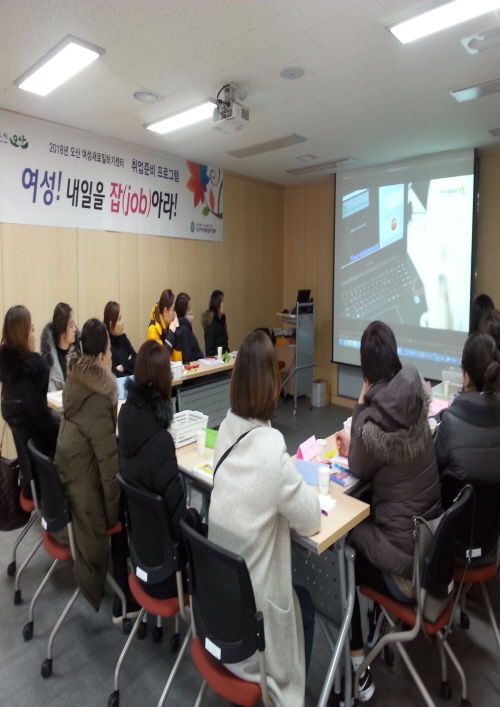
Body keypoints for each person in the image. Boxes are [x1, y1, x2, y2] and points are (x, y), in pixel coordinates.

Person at [208, 330, 320, 707]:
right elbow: (310, 520)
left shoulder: (225, 432)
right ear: (272, 383)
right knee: (305, 605)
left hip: (219, 617)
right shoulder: (272, 450)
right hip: (253, 638)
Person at [333, 321, 441, 705]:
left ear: (366, 371)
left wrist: (361, 404)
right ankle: (377, 625)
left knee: (340, 550)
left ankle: (357, 666)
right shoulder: (415, 397)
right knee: (366, 520)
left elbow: (357, 466)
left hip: (405, 569)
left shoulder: (375, 421)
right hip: (430, 546)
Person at [54, 319, 130, 615]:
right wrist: (113, 515)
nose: (111, 356)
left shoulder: (76, 382)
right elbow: (109, 469)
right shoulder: (98, 398)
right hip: (86, 500)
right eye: (109, 351)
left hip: (69, 487)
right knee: (128, 504)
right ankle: (126, 596)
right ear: (100, 357)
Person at [118, 339, 199, 598]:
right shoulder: (160, 441)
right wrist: (194, 518)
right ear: (163, 381)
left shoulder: (125, 419)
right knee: (200, 526)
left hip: (140, 556)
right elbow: (179, 521)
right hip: (167, 572)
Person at [434, 332, 500, 509]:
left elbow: (433, 469)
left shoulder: (450, 423)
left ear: (466, 377)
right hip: (493, 521)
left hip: (455, 521)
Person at [0, 305, 59, 458]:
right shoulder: (30, 380)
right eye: (32, 330)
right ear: (23, 336)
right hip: (46, 458)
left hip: (33, 460)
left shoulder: (9, 381)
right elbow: (47, 427)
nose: (34, 336)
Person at [40, 302, 78, 391]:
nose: (75, 329)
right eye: (71, 326)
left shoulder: (78, 353)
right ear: (62, 331)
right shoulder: (48, 362)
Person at [103, 301, 137, 378]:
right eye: (119, 319)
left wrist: (123, 366)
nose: (122, 322)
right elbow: (114, 373)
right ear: (111, 324)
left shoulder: (123, 338)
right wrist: (129, 362)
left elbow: (136, 358)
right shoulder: (106, 344)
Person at [173, 292, 203, 363]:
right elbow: (187, 357)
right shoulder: (183, 329)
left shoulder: (185, 327)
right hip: (196, 367)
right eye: (189, 309)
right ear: (183, 311)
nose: (191, 312)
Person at [146, 288, 179, 352]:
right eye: (173, 310)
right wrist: (171, 333)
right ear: (166, 311)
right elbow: (162, 356)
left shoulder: (168, 326)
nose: (175, 314)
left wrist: (177, 331)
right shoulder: (153, 329)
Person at [202, 289, 228, 356]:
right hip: (216, 360)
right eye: (222, 302)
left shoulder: (222, 320)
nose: (224, 304)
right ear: (217, 303)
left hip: (224, 358)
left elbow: (224, 345)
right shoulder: (211, 323)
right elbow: (209, 351)